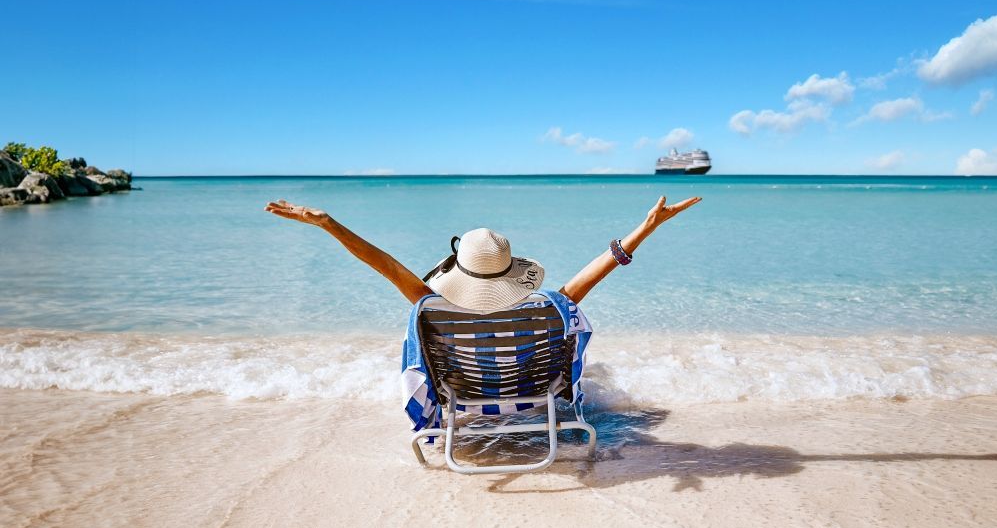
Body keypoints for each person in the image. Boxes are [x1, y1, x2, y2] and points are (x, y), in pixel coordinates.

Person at [263, 195, 701, 310]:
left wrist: (328, 224)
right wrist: (645, 228)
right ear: (512, 270)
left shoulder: (432, 308)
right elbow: (602, 268)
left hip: (462, 392)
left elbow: (385, 266)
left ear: (458, 268)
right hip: (530, 392)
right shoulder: (546, 311)